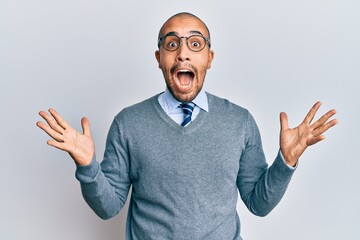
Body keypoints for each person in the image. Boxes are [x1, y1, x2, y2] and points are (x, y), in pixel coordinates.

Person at [36, 12, 337, 240]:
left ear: (209, 58)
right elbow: (108, 207)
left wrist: (286, 161)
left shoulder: (239, 122)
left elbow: (258, 203)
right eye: (172, 44)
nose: (183, 52)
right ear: (159, 58)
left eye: (195, 43)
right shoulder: (128, 123)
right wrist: (88, 166)